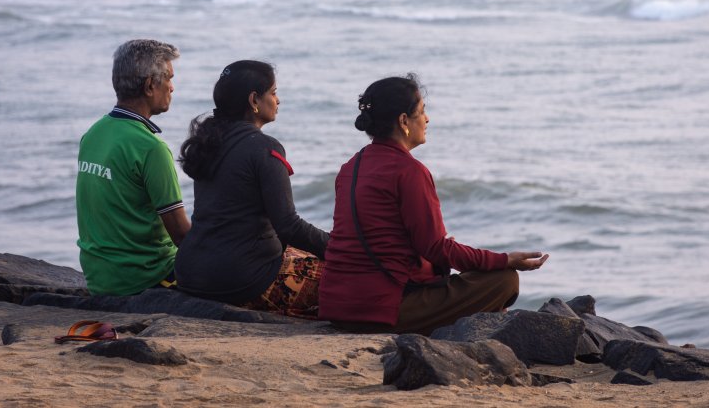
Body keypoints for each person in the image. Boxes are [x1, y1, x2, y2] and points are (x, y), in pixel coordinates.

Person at [318, 74, 548, 335]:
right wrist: (505, 259)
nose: (427, 119)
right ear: (404, 120)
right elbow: (437, 248)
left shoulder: (350, 167)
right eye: (422, 111)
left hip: (337, 306)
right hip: (381, 311)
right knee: (504, 280)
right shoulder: (409, 171)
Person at [175, 60, 329, 317]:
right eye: (274, 92)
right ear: (254, 99)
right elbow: (289, 225)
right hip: (241, 281)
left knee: (301, 251)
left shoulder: (209, 142)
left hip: (192, 273)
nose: (278, 100)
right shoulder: (264, 147)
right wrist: (339, 246)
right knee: (348, 271)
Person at [76, 39, 191, 296]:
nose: (172, 87)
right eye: (169, 79)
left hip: (100, 277)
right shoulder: (151, 148)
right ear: (150, 85)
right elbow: (182, 236)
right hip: (146, 279)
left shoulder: (93, 133)